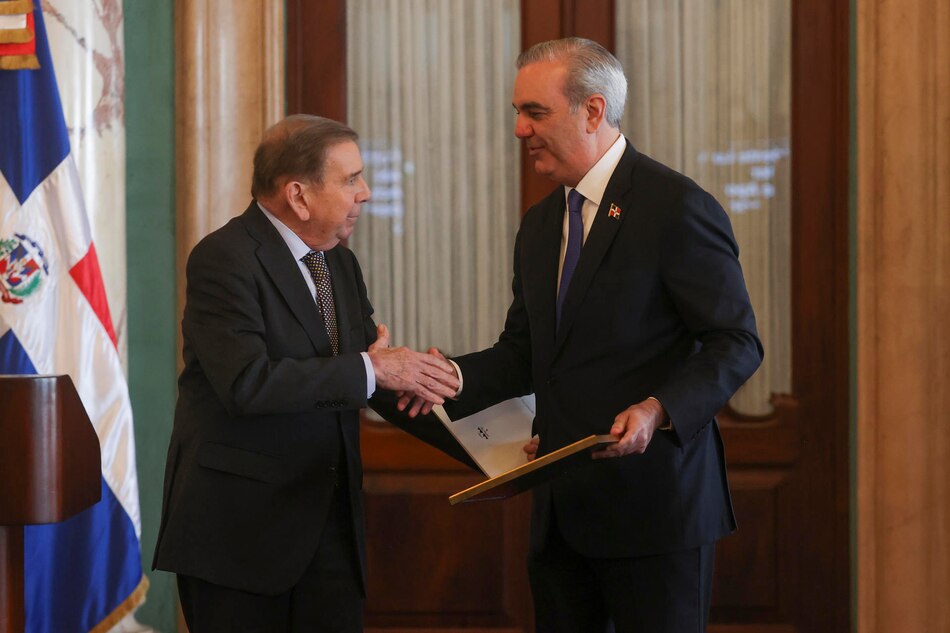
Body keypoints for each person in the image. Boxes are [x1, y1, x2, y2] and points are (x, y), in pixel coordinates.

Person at [408, 38, 763, 632]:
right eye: (517, 113)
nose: (520, 130)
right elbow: (524, 353)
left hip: (656, 516)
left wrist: (658, 410)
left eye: (535, 112)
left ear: (593, 111)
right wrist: (438, 377)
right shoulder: (542, 224)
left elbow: (736, 342)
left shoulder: (675, 207)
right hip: (562, 519)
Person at [152, 114, 460, 632]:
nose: (364, 193)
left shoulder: (339, 262)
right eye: (350, 179)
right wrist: (373, 367)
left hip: (331, 534)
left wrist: (485, 444)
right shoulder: (224, 259)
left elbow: (371, 379)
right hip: (242, 538)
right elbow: (247, 384)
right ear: (298, 195)